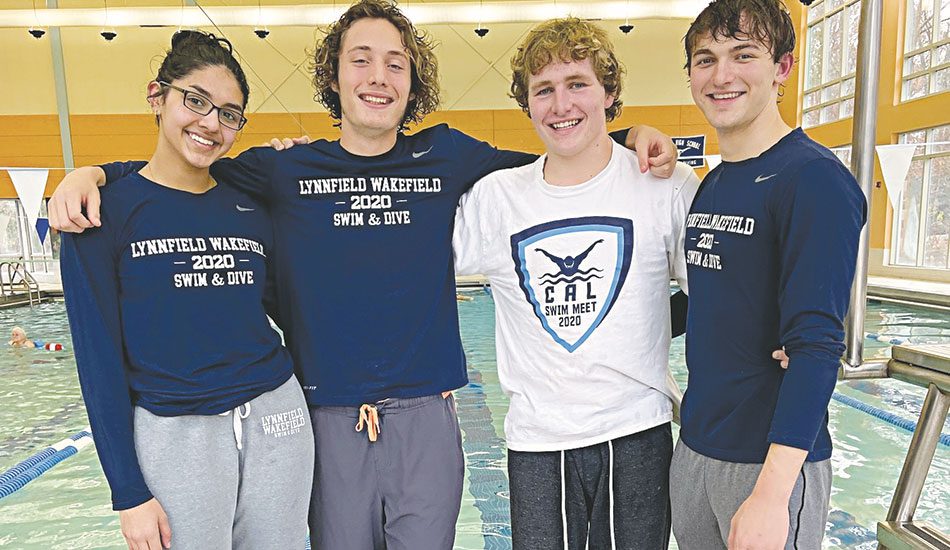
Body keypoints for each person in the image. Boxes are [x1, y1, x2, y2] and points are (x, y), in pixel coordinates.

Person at [48, 2, 679, 547]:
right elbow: (184, 169)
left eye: (396, 63)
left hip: (427, 416)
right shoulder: (283, 170)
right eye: (360, 60)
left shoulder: (447, 153)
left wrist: (632, 134)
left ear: (413, 81)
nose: (378, 77)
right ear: (334, 75)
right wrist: (95, 173)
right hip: (325, 417)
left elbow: (555, 155)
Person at [59, 31, 313, 550]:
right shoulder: (102, 215)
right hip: (174, 434)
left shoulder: (251, 204)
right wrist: (128, 492)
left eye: (229, 114)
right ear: (157, 96)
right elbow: (97, 360)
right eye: (195, 101)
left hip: (278, 416)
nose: (211, 123)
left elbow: (294, 312)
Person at [453, 18, 698, 549]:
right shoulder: (496, 198)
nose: (560, 104)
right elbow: (405, 257)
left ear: (609, 93)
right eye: (544, 90)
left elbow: (718, 295)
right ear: (527, 104)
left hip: (637, 430)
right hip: (538, 440)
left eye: (577, 84)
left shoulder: (666, 185)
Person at [670, 1, 866, 548]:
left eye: (743, 55)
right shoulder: (714, 183)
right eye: (705, 59)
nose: (721, 75)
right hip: (697, 447)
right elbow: (714, 299)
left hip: (767, 464)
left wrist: (773, 494)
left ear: (782, 68)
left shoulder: (813, 179)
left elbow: (817, 343)